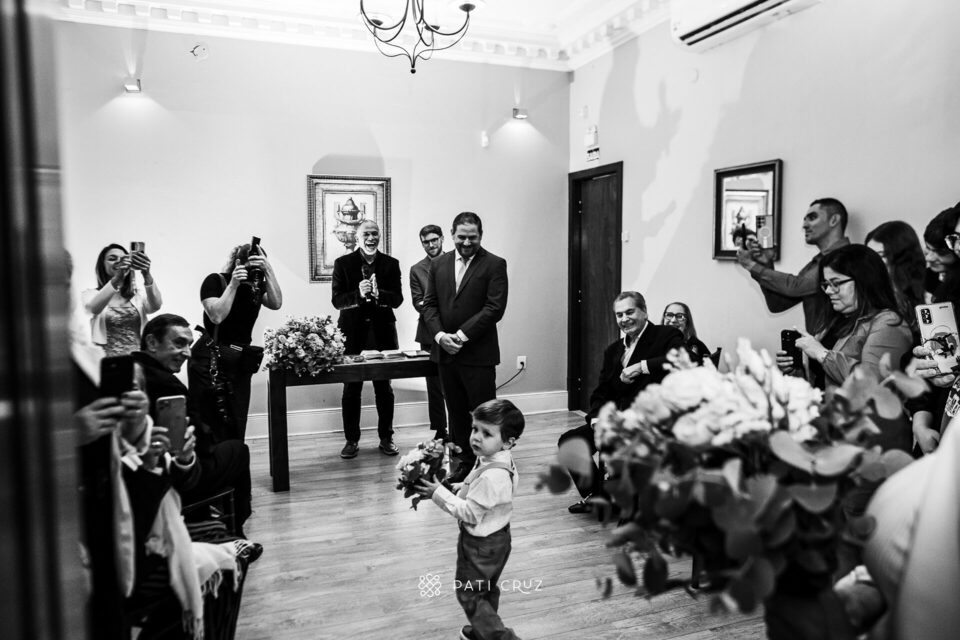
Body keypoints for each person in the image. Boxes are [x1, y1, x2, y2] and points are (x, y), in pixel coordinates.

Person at [560, 291, 685, 513]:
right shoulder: (613, 351)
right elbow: (601, 392)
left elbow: (683, 359)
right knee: (570, 442)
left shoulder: (665, 335)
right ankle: (598, 496)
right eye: (619, 315)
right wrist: (596, 420)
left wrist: (642, 366)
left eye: (630, 312)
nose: (624, 319)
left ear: (644, 312)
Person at [133, 313, 254, 536]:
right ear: (151, 342)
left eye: (189, 345)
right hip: (176, 475)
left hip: (143, 473)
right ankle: (235, 530)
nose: (187, 353)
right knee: (238, 449)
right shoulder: (167, 385)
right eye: (179, 343)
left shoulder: (134, 370)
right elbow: (201, 443)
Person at [414, 399, 525, 640]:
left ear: (508, 441)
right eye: (475, 429)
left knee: (469, 593)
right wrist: (461, 487)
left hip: (480, 546)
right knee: (485, 589)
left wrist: (438, 493)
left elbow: (470, 513)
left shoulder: (492, 477)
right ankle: (481, 632)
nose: (476, 437)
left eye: (487, 433)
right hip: (499, 539)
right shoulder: (498, 458)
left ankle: (499, 637)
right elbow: (484, 490)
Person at [422, 212, 508, 483]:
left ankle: (491, 467)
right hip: (446, 355)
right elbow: (429, 305)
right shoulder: (439, 264)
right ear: (452, 235)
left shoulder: (495, 264)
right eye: (462, 237)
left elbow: (494, 308)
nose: (467, 242)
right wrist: (440, 337)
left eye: (473, 237)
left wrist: (459, 336)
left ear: (481, 235)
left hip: (478, 355)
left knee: (485, 415)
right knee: (456, 414)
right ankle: (464, 465)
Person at [776, 245, 912, 391]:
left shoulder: (888, 323)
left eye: (836, 283)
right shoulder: (832, 320)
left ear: (864, 280)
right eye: (826, 284)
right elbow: (820, 380)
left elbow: (871, 383)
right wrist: (796, 372)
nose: (828, 291)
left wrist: (822, 354)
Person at [188, 242, 283, 442]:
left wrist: (269, 271)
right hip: (210, 358)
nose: (254, 271)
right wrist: (233, 284)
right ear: (238, 262)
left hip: (239, 359)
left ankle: (233, 456)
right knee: (208, 420)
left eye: (259, 266)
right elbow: (216, 316)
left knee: (237, 418)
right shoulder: (215, 280)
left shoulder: (257, 286)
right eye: (251, 266)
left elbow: (276, 303)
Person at [331, 219, 404, 459]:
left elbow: (398, 300)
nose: (371, 238)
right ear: (357, 238)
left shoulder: (391, 264)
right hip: (352, 335)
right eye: (367, 234)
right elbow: (337, 301)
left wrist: (379, 293)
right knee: (351, 389)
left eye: (375, 233)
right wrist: (358, 294)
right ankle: (351, 440)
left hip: (383, 334)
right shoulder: (342, 264)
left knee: (384, 389)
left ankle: (386, 437)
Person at [737, 198, 851, 333]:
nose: (804, 225)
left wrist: (751, 265)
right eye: (805, 220)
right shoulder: (816, 262)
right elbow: (777, 305)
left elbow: (796, 286)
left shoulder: (846, 257)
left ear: (834, 220)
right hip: (816, 344)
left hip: (838, 344)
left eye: (812, 218)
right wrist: (766, 263)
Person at [82, 243, 162, 356]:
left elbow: (156, 306)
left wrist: (146, 274)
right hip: (106, 360)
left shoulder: (137, 296)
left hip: (137, 359)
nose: (119, 262)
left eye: (124, 258)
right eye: (112, 259)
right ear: (102, 265)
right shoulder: (90, 294)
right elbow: (94, 308)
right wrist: (117, 278)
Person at [409, 224, 448, 441]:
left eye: (434, 240)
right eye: (426, 242)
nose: (431, 245)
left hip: (456, 331)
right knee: (434, 385)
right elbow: (418, 302)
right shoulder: (417, 269)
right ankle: (440, 431)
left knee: (457, 382)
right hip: (428, 333)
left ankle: (462, 428)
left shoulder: (455, 261)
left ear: (442, 239)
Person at [864, 221, 926, 320]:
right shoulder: (867, 292)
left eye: (881, 255)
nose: (872, 262)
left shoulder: (929, 291)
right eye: (870, 255)